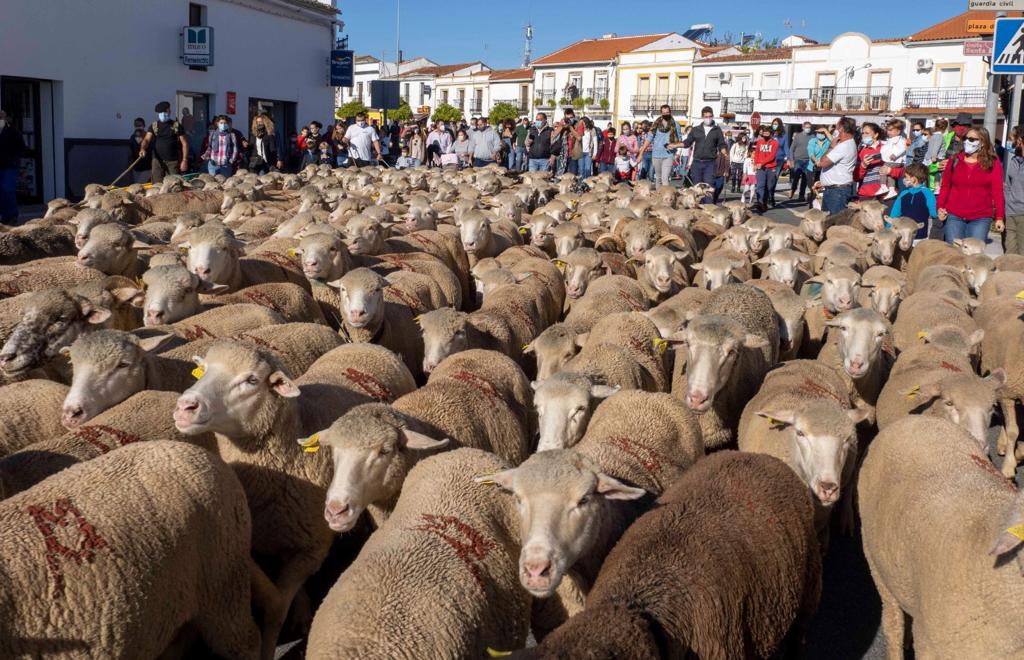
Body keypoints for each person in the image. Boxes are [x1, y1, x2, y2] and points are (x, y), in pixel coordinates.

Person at [937, 125, 1004, 243]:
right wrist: (940, 207)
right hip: (954, 215)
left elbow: (997, 191)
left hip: (981, 217)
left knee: (974, 257)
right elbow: (945, 186)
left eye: (972, 139)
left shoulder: (993, 163)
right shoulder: (954, 160)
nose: (967, 142)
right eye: (966, 139)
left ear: (983, 142)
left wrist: (999, 217)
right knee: (954, 255)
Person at [683, 107, 727, 202]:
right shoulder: (695, 129)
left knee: (709, 188)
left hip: (710, 163)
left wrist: (723, 150)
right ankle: (697, 210)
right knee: (697, 189)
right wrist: (675, 145)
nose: (708, 118)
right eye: (706, 116)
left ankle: (708, 209)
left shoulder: (717, 130)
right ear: (702, 117)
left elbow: (721, 143)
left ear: (712, 116)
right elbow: (687, 142)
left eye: (710, 116)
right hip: (697, 162)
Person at [139, 101, 188, 183]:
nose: (163, 114)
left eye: (165, 112)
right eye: (161, 112)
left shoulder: (176, 126)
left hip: (173, 162)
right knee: (157, 185)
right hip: (157, 161)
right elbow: (146, 140)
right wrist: (142, 149)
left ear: (169, 111)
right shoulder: (154, 126)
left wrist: (184, 160)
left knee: (174, 184)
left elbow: (185, 144)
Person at [818, 116, 858, 215]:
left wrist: (831, 146)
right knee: (827, 222)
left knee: (835, 223)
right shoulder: (847, 143)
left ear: (842, 128)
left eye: (837, 126)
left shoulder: (844, 146)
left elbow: (822, 162)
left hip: (837, 191)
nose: (835, 129)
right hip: (834, 189)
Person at [889, 163, 937, 246]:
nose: (904, 179)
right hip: (902, 237)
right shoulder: (903, 193)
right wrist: (888, 230)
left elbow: (934, 212)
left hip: (919, 238)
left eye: (906, 177)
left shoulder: (927, 193)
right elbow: (894, 214)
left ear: (914, 179)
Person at [0, 111, 25, 225]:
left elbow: (21, 148)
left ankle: (12, 216)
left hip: (9, 166)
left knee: (7, 189)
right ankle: (4, 216)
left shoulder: (13, 132)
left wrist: (13, 159)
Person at [650, 105, 682, 188]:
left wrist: (673, 145)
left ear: (670, 112)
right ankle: (658, 197)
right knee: (658, 178)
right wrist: (642, 151)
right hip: (656, 154)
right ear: (661, 113)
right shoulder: (655, 124)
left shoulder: (676, 125)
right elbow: (649, 137)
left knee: (665, 178)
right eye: (664, 113)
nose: (665, 114)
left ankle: (665, 198)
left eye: (667, 112)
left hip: (668, 155)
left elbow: (679, 139)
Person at [1005, 126, 1024, 254]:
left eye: (1013, 139)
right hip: (1011, 212)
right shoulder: (1014, 160)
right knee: (1010, 255)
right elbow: (1009, 184)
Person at [878, 119, 907, 199]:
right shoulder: (891, 139)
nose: (888, 132)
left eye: (891, 130)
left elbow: (903, 148)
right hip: (893, 161)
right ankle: (892, 190)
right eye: (887, 130)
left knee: (883, 169)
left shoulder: (900, 139)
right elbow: (887, 145)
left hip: (895, 161)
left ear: (898, 131)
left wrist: (895, 154)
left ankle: (883, 186)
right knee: (890, 175)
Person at [753, 125, 779, 213]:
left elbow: (772, 156)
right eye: (764, 133)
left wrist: (762, 163)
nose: (765, 134)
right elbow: (756, 153)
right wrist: (755, 164)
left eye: (767, 133)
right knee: (760, 186)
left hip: (771, 168)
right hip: (760, 168)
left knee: (769, 187)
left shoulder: (775, 143)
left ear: (771, 134)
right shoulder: (760, 142)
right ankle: (759, 203)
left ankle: (765, 202)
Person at [855, 122, 884, 199]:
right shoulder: (861, 151)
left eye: (867, 133)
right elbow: (856, 177)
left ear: (876, 134)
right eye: (862, 133)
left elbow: (900, 170)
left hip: (884, 194)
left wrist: (890, 170)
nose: (864, 135)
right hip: (866, 194)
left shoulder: (886, 148)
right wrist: (863, 165)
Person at [788, 121, 813, 201]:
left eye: (809, 127)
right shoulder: (798, 136)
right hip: (798, 160)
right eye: (806, 127)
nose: (808, 129)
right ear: (803, 127)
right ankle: (793, 189)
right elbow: (792, 149)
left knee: (805, 179)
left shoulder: (813, 136)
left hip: (808, 160)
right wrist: (791, 160)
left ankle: (801, 195)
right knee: (796, 176)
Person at [770, 119, 788, 205]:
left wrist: (788, 158)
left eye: (776, 124)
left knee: (774, 179)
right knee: (768, 178)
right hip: (768, 160)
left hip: (779, 160)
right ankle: (767, 195)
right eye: (773, 124)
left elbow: (786, 147)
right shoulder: (769, 133)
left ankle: (771, 196)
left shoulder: (783, 135)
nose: (774, 125)